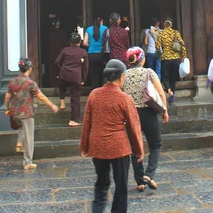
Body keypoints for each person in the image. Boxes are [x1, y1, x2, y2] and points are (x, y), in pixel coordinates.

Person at [81, 60, 144, 213]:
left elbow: (86, 123)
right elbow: (134, 126)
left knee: (101, 184)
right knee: (121, 185)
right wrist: (139, 149)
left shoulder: (94, 95)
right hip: (119, 147)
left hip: (98, 145)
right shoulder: (124, 98)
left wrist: (84, 146)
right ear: (122, 77)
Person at [122, 47, 169, 192]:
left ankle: (140, 181)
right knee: (155, 145)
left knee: (135, 148)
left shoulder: (123, 75)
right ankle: (149, 174)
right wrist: (164, 111)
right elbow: (160, 93)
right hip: (148, 112)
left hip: (131, 114)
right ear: (141, 59)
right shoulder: (149, 72)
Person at [5, 58, 59, 170]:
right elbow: (41, 96)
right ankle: (27, 162)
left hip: (14, 112)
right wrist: (52, 105)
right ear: (30, 69)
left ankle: (20, 142)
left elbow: (7, 96)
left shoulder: (13, 81)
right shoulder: (30, 83)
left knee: (21, 127)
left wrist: (8, 108)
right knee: (29, 136)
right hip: (26, 112)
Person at [56, 32, 89, 127]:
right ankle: (74, 120)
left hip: (64, 74)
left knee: (62, 86)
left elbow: (57, 61)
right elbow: (85, 67)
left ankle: (62, 101)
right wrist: (83, 79)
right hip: (76, 76)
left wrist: (61, 70)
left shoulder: (65, 50)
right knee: (75, 98)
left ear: (70, 42)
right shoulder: (82, 52)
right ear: (79, 42)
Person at [155, 18, 186, 106]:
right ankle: (172, 95)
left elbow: (157, 46)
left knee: (165, 77)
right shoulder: (175, 33)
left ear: (165, 25)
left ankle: (169, 91)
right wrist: (183, 56)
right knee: (173, 78)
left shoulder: (161, 33)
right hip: (176, 59)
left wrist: (159, 56)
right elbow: (182, 44)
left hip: (165, 59)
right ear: (171, 24)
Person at [84, 17, 108, 89]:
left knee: (94, 75)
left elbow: (85, 43)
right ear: (102, 22)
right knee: (103, 74)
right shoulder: (105, 28)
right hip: (102, 54)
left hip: (91, 54)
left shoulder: (88, 29)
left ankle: (94, 92)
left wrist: (91, 45)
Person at [48, 18, 69, 87]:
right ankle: (62, 85)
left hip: (51, 55)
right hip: (60, 55)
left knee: (52, 71)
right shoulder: (62, 33)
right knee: (61, 70)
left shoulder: (49, 33)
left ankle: (53, 85)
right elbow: (66, 44)